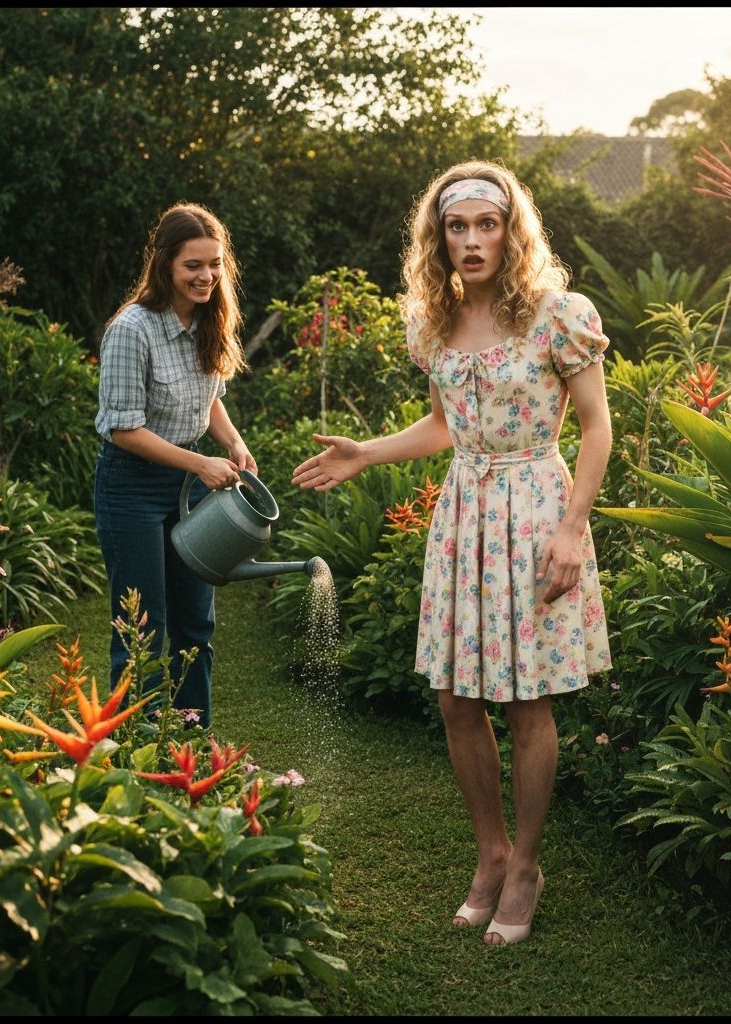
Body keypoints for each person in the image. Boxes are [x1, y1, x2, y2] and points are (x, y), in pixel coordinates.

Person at [292, 161, 612, 946]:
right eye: (456, 227)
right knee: (456, 701)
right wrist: (365, 451)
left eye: (486, 224)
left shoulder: (556, 315)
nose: (472, 241)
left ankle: (528, 864)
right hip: (464, 513)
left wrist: (571, 528)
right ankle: (490, 853)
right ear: (438, 238)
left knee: (526, 700)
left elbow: (598, 427)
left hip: (536, 508)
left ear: (512, 230)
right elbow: (444, 427)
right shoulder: (432, 322)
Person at [94, 203, 256, 730]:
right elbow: (123, 427)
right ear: (165, 264)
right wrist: (199, 462)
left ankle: (191, 742)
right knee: (143, 628)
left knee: (196, 622)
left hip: (190, 487)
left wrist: (232, 442)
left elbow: (208, 397)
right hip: (131, 489)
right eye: (193, 265)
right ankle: (134, 752)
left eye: (214, 264)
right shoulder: (132, 329)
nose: (206, 277)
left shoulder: (211, 321)